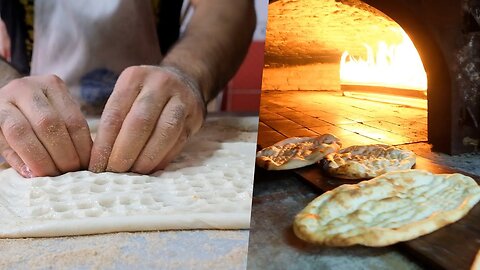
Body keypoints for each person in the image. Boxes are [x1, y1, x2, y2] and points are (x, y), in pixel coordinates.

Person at [0, 0, 256, 178]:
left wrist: (187, 72)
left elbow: (228, 5)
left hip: (164, 111)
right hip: (29, 115)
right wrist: (5, 87)